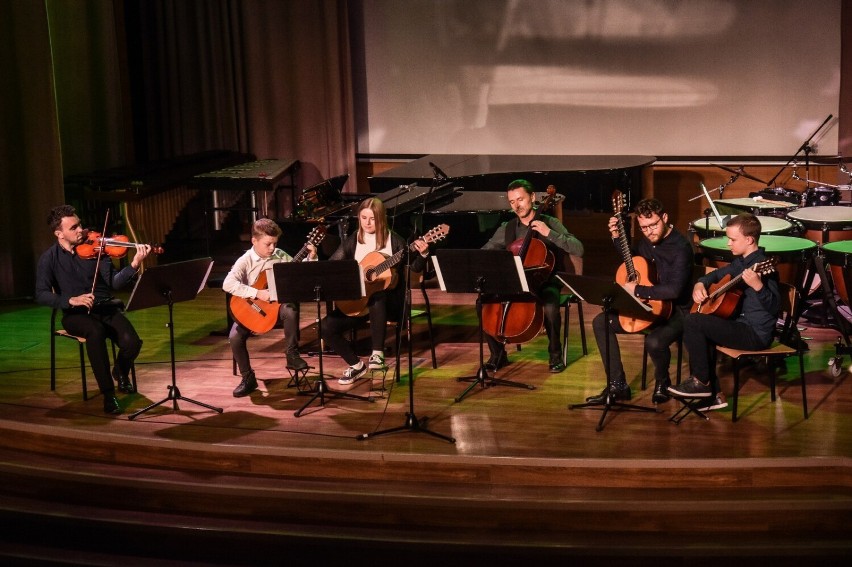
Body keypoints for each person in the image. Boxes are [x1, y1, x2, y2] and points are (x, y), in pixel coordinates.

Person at [35, 205, 151, 415]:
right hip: (75, 315)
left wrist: (134, 264)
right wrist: (71, 299)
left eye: (79, 225)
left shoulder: (97, 249)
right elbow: (41, 293)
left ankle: (120, 371)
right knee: (95, 332)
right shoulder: (49, 259)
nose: (81, 230)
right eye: (74, 228)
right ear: (59, 233)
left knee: (132, 343)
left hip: (105, 308)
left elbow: (115, 283)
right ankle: (109, 395)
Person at [588, 198, 694, 404]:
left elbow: (675, 289)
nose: (649, 232)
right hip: (646, 304)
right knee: (601, 322)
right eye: (644, 227)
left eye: (653, 225)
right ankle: (617, 385)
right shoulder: (647, 239)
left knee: (654, 341)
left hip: (677, 310)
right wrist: (617, 237)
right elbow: (635, 262)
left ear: (665, 218)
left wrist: (636, 289)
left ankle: (662, 382)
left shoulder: (681, 248)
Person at [669, 213, 780, 399]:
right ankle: (713, 394)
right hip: (739, 325)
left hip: (756, 334)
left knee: (694, 322)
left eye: (732, 239)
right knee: (700, 326)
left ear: (749, 239)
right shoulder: (741, 262)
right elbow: (715, 275)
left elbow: (775, 307)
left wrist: (758, 286)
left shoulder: (763, 266)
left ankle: (702, 382)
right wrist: (700, 283)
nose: (729, 244)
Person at [322, 197, 429, 386]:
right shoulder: (354, 239)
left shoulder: (394, 241)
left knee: (378, 294)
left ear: (381, 219)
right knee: (326, 328)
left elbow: (414, 268)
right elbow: (333, 264)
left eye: (372, 218)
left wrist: (423, 254)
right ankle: (356, 366)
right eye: (364, 218)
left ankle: (377, 353)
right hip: (358, 303)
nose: (368, 223)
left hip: (390, 304)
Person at [481, 179, 584, 373]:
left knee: (551, 308)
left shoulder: (550, 222)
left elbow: (578, 248)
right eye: (512, 202)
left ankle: (555, 355)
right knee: (483, 303)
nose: (517, 205)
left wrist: (550, 233)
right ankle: (498, 355)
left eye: (520, 199)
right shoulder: (508, 227)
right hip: (514, 283)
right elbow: (486, 250)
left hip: (544, 282)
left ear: (533, 198)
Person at [223, 218, 316, 397]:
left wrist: (311, 258)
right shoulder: (245, 260)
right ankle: (248, 378)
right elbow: (228, 284)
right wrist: (257, 293)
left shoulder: (280, 255)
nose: (272, 248)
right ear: (254, 241)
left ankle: (291, 354)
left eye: (274, 243)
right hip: (253, 309)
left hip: (276, 308)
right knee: (235, 337)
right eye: (268, 244)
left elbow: (300, 274)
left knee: (290, 309)